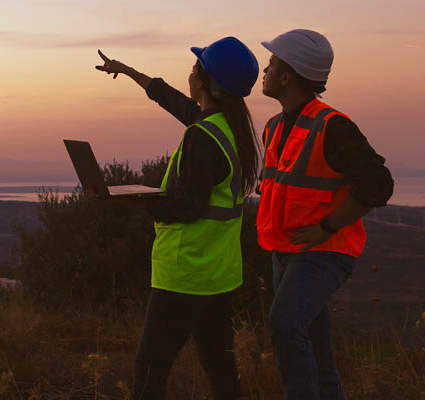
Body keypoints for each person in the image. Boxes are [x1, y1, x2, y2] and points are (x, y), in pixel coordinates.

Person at [96, 36, 260, 400]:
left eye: (193, 69)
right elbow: (172, 99)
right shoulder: (228, 128)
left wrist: (140, 199)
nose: (189, 74)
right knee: (221, 372)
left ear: (205, 82)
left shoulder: (203, 136)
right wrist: (128, 72)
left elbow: (188, 206)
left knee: (150, 370)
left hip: (185, 272)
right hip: (218, 273)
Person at [256, 29, 394, 399]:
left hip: (324, 252)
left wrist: (327, 226)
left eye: (271, 65)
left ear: (287, 75)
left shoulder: (333, 126)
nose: (264, 72)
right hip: (285, 251)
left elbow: (379, 183)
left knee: (285, 324)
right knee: (315, 345)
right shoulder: (274, 127)